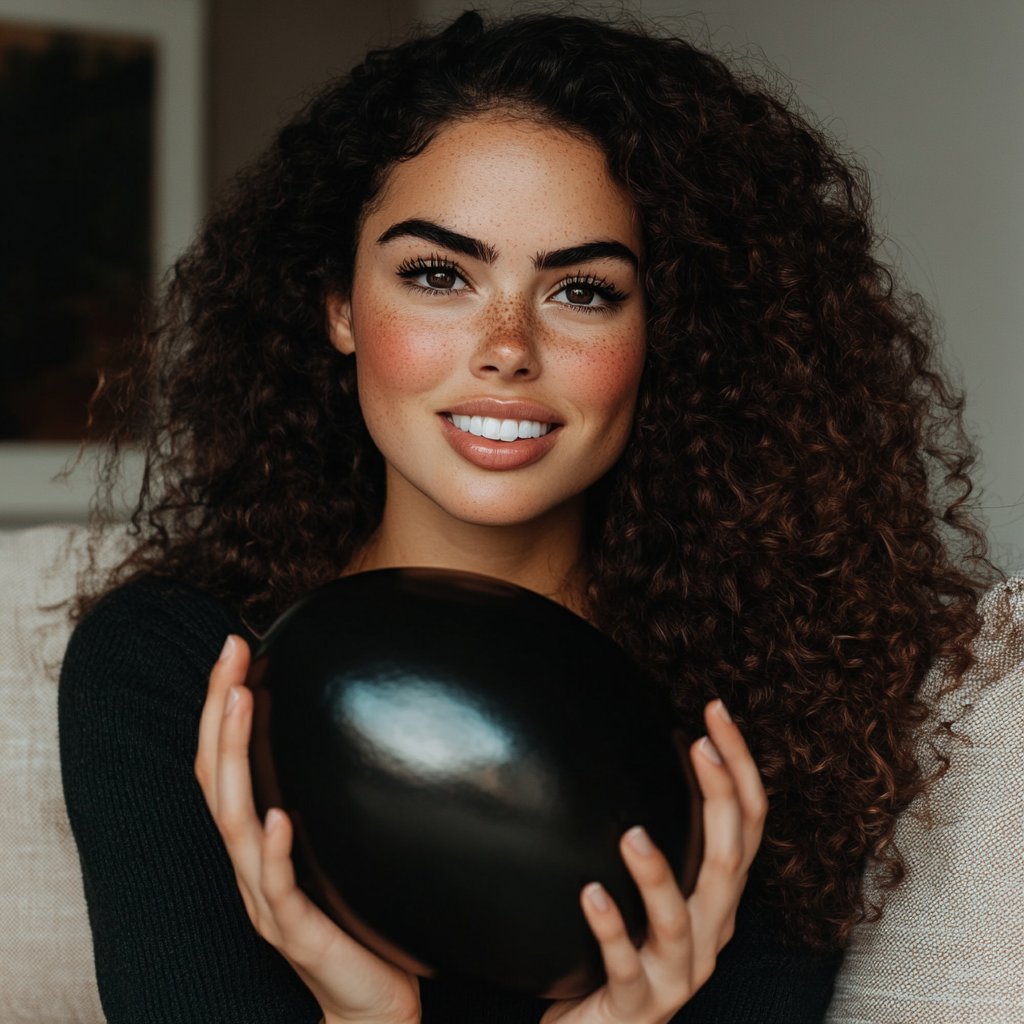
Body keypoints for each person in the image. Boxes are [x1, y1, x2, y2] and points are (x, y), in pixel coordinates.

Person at [58, 10, 1000, 1024]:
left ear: (663, 331)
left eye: (582, 291)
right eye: (438, 275)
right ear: (338, 304)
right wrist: (366, 1018)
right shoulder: (176, 671)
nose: (507, 346)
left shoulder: (773, 700)